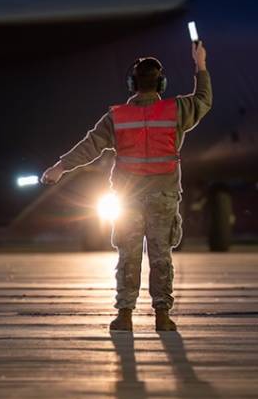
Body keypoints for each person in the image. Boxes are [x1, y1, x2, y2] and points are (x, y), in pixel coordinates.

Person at [42, 43, 211, 332]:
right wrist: (201, 65)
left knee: (127, 256)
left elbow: (90, 145)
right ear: (161, 83)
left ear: (132, 84)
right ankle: (162, 316)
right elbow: (204, 100)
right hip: (163, 196)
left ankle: (124, 315)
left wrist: (60, 167)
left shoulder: (117, 117)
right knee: (161, 257)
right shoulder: (176, 110)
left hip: (127, 198)